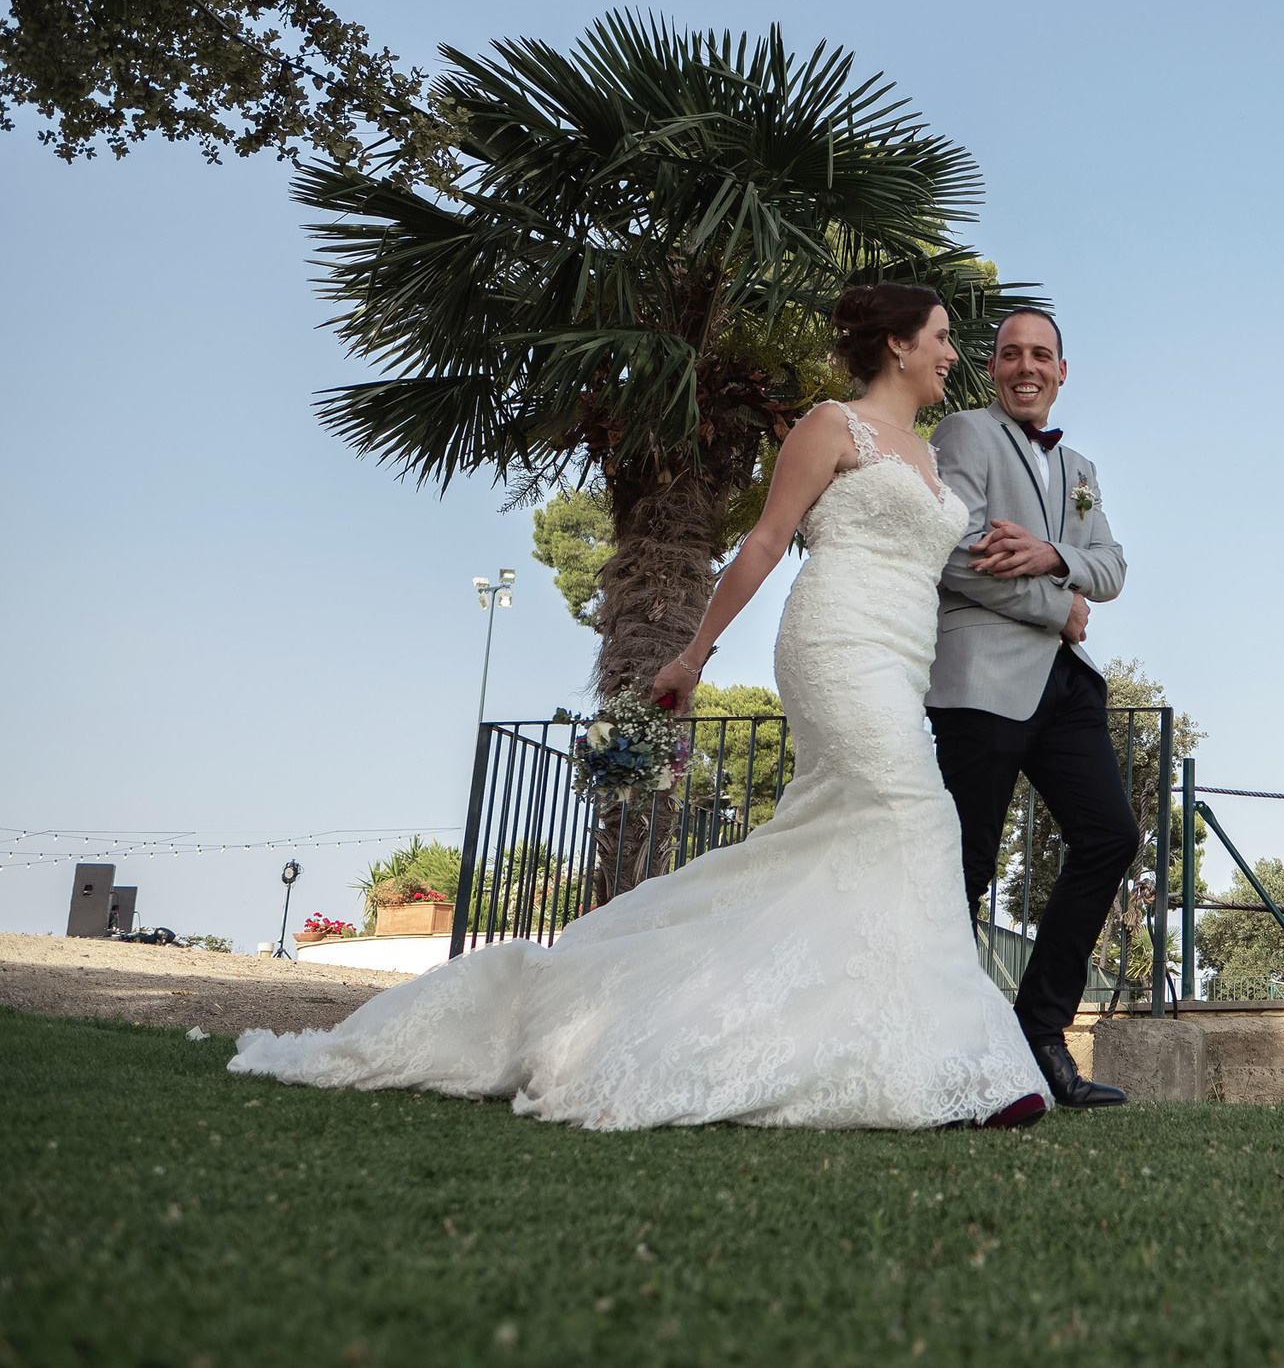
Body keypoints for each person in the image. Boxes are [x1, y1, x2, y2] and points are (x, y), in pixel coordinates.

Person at [230, 284, 1049, 1132]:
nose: (955, 354)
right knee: (921, 818)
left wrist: (1054, 584)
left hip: (903, 657)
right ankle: (972, 1064)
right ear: (898, 346)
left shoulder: (929, 457)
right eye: (945, 338)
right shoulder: (831, 427)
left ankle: (894, 1047)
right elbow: (766, 540)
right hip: (837, 643)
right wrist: (694, 654)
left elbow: (954, 566)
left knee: (839, 841)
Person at [926, 309, 1138, 1108]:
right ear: (992, 365)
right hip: (980, 677)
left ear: (1062, 369)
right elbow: (958, 553)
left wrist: (1053, 556)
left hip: (1065, 684)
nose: (1026, 366)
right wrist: (1061, 604)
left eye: (1040, 355)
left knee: (1111, 834)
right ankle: (943, 1048)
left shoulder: (1078, 464)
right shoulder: (963, 434)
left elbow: (1112, 568)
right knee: (967, 868)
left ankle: (1039, 1031)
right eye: (1012, 353)